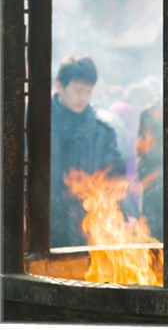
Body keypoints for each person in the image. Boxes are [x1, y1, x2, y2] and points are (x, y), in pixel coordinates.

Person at [50, 55, 126, 248]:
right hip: (44, 222)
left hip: (86, 225)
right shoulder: (36, 123)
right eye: (77, 90)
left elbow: (115, 174)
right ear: (59, 86)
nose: (82, 97)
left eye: (88, 91)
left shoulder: (102, 132)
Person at [136, 98, 163, 242]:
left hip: (156, 185)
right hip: (152, 190)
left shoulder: (149, 114)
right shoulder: (148, 115)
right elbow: (141, 148)